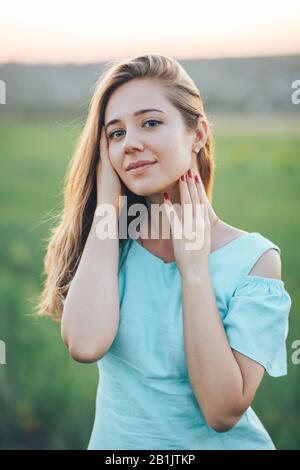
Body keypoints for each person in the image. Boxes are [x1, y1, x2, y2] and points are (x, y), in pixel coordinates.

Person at [36, 54, 292, 450]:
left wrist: (193, 271)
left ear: (198, 133)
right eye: (116, 133)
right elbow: (86, 345)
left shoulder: (254, 260)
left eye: (150, 122)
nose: (132, 143)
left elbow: (222, 411)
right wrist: (107, 207)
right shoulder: (111, 246)